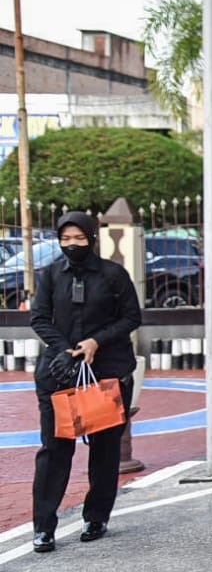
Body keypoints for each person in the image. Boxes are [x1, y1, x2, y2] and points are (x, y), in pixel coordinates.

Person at [30, 211, 141, 552]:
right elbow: (38, 318)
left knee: (105, 449)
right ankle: (44, 527)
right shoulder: (50, 275)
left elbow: (131, 318)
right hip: (60, 372)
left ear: (92, 238)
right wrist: (67, 350)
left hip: (106, 372)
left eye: (79, 238)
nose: (72, 245)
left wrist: (96, 342)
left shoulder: (113, 275)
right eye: (65, 239)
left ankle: (97, 517)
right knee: (54, 449)